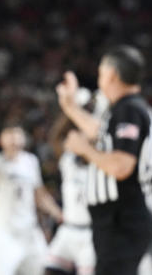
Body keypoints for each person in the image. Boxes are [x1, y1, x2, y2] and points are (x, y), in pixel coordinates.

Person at [56, 45, 152, 275]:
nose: (99, 79)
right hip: (119, 220)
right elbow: (100, 131)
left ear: (112, 74)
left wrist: (85, 149)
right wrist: (70, 107)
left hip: (123, 218)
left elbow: (121, 166)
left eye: (101, 73)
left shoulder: (129, 110)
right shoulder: (126, 109)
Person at [0, 114, 62, 275]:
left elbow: (39, 194)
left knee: (41, 270)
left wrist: (58, 214)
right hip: (5, 234)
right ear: (2, 139)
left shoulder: (31, 161)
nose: (14, 140)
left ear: (23, 138)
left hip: (29, 232)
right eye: (10, 136)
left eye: (17, 135)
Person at [46, 111, 97, 275]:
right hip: (68, 230)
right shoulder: (68, 160)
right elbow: (55, 137)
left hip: (91, 234)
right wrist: (71, 110)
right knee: (50, 270)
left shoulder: (103, 165)